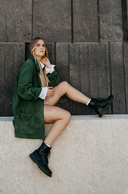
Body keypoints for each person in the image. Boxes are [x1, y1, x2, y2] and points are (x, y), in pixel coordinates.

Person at [12, 37, 114, 177]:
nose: (42, 48)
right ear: (32, 49)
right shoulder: (29, 66)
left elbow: (56, 82)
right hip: (28, 110)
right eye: (38, 45)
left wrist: (48, 66)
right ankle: (42, 150)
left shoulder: (39, 65)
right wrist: (43, 91)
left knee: (64, 85)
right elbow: (22, 91)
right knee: (65, 116)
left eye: (43, 45)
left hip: (36, 103)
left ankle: (95, 104)